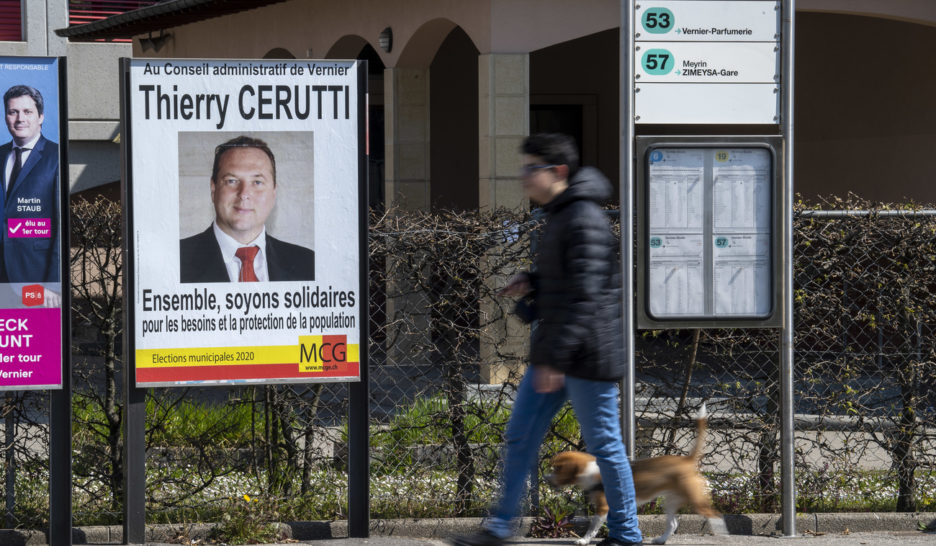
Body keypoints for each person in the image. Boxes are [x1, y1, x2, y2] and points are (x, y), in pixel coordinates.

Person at [452, 134, 643, 546]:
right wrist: (532, 282)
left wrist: (555, 359)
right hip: (557, 351)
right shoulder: (561, 214)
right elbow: (568, 282)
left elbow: (586, 297)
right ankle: (501, 527)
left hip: (586, 356)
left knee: (605, 445)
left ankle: (627, 535)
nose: (523, 176)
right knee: (520, 434)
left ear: (557, 172)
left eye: (530, 167)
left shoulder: (582, 218)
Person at [180, 135, 315, 283]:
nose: (244, 194)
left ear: (273, 193)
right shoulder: (175, 260)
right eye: (231, 181)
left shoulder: (309, 264)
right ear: (213, 190)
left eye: (257, 182)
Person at [0, 85, 60, 284]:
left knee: (32, 317)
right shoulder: (0, 155)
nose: (20, 119)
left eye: (27, 112)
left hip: (35, 274)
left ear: (41, 116)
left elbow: (61, 227)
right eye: (12, 112)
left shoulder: (56, 157)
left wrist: (53, 283)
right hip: (2, 273)